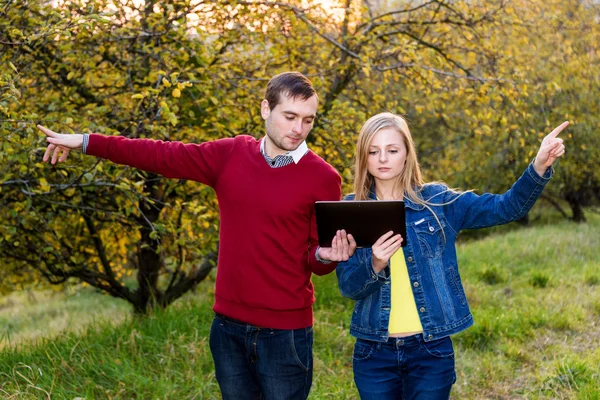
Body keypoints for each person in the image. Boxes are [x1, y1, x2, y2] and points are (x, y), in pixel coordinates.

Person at [37, 71, 357, 400]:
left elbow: (316, 259)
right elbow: (160, 154)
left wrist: (324, 256)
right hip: (228, 328)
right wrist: (87, 142)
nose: (298, 129)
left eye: (308, 120)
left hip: (287, 333)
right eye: (290, 117)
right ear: (265, 109)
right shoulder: (230, 154)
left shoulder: (323, 177)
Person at [336, 112, 568, 399]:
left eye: (392, 150)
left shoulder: (438, 202)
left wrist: (539, 165)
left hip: (430, 351)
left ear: (407, 154)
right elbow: (348, 287)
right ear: (364, 157)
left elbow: (506, 208)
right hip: (373, 354)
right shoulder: (349, 210)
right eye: (374, 151)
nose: (383, 158)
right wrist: (375, 263)